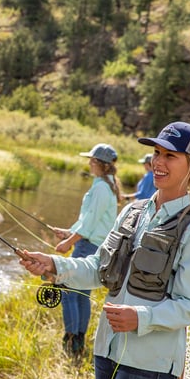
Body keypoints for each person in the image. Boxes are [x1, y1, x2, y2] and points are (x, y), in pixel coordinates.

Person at [19, 122, 190, 379]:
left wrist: (139, 317)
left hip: (149, 363)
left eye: (170, 156)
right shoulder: (132, 212)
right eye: (156, 152)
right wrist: (53, 264)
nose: (158, 162)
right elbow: (98, 269)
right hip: (107, 349)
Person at [49, 143, 122, 356]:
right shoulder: (106, 185)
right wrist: (68, 232)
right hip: (92, 244)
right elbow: (90, 220)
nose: (89, 163)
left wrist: (69, 241)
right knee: (81, 294)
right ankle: (77, 343)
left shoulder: (101, 186)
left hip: (88, 246)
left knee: (69, 292)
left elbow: (90, 222)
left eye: (92, 160)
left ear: (100, 164)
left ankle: (71, 340)